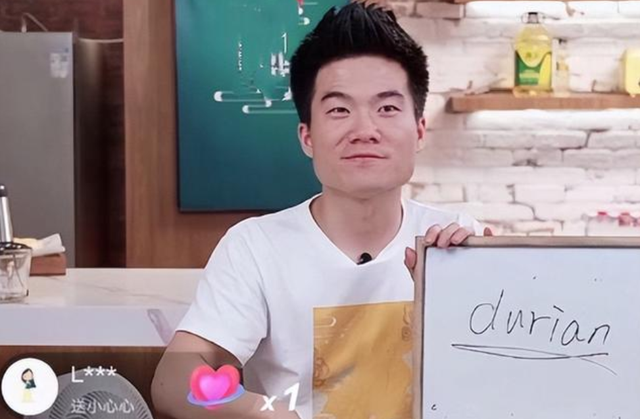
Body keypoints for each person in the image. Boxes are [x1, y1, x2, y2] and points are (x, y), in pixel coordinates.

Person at [152, 3, 488, 419]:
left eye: (387, 108)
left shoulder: (456, 242)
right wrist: (268, 411)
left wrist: (469, 293)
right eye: (339, 110)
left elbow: (502, 378)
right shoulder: (256, 248)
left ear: (419, 130)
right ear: (307, 137)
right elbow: (173, 380)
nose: (365, 130)